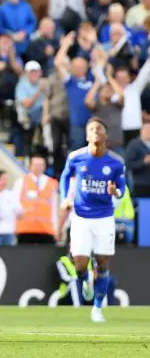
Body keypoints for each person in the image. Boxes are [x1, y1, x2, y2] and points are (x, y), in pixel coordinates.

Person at [59, 116, 126, 322]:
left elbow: (122, 188)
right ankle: (85, 278)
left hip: (104, 218)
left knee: (103, 264)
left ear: (105, 134)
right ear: (87, 135)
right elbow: (64, 177)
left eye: (99, 128)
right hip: (80, 216)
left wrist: (116, 192)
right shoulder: (76, 157)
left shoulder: (115, 162)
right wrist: (64, 199)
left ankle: (97, 308)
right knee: (80, 264)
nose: (95, 131)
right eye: (91, 129)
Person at [54, 31, 94, 150]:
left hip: (94, 123)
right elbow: (58, 63)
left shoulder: (92, 78)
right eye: (76, 66)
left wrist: (93, 42)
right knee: (77, 153)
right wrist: (65, 45)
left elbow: (102, 60)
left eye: (81, 65)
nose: (79, 68)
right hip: (78, 124)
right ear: (72, 68)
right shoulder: (70, 81)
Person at [13, 154, 58, 244]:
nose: (38, 167)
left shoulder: (51, 183)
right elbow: (14, 202)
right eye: (36, 165)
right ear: (30, 166)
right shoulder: (21, 181)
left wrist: (56, 228)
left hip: (45, 229)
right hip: (25, 229)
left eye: (41, 165)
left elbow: (54, 207)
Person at [125, 122, 150, 198]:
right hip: (141, 185)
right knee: (143, 208)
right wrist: (144, 162)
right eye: (147, 130)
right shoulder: (134, 145)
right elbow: (129, 165)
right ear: (141, 131)